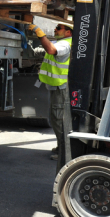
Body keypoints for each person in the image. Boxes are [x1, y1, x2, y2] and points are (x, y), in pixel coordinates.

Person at [28, 23, 73, 171]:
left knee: (59, 120)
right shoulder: (60, 42)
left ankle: (64, 152)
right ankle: (62, 146)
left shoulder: (66, 44)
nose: (55, 29)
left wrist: (40, 34)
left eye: (58, 28)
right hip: (55, 86)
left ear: (68, 32)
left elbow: (51, 50)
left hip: (61, 87)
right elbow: (46, 51)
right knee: (55, 119)